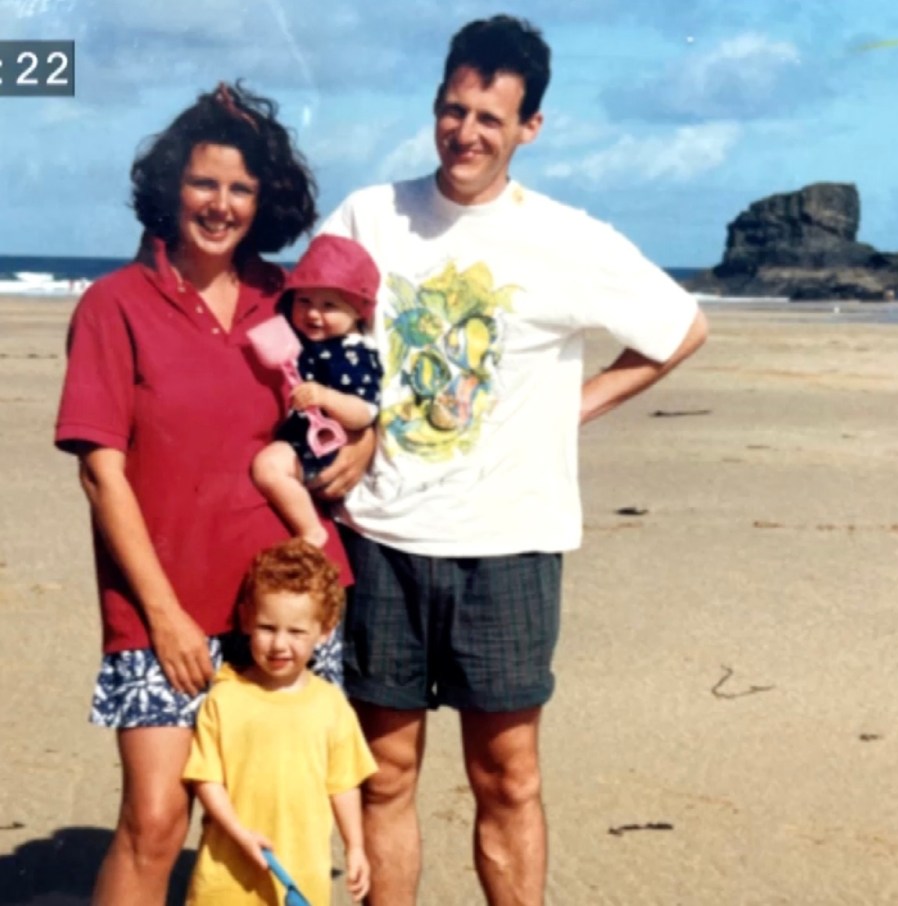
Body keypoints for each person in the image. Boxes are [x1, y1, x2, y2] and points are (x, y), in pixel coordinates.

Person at [320, 14, 709, 906]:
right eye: (453, 111)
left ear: (529, 127)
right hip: (380, 532)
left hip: (510, 545)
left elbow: (680, 327)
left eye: (490, 119)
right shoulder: (368, 216)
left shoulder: (565, 237)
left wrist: (577, 406)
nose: (466, 133)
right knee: (383, 773)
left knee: (508, 776)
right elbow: (315, 335)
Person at [53, 82, 358, 906]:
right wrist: (163, 616)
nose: (219, 205)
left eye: (241, 189)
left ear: (266, 201)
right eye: (203, 183)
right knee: (155, 822)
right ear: (169, 185)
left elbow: (355, 402)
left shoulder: (291, 304)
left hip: (287, 605)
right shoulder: (115, 305)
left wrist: (361, 452)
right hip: (162, 608)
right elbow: (99, 470)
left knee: (274, 817)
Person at [183, 539, 377, 905]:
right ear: (245, 620)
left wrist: (355, 846)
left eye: (297, 631)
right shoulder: (225, 697)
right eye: (267, 627)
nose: (279, 645)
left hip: (301, 874)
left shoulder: (331, 705)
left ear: (325, 630)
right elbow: (206, 778)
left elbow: (344, 784)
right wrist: (239, 833)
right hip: (227, 872)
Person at [251, 234, 383, 549]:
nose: (312, 314)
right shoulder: (305, 342)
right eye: (304, 301)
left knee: (268, 468)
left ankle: (311, 531)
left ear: (358, 311)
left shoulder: (354, 354)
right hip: (306, 437)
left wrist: (324, 397)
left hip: (327, 443)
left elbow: (364, 412)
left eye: (329, 305)